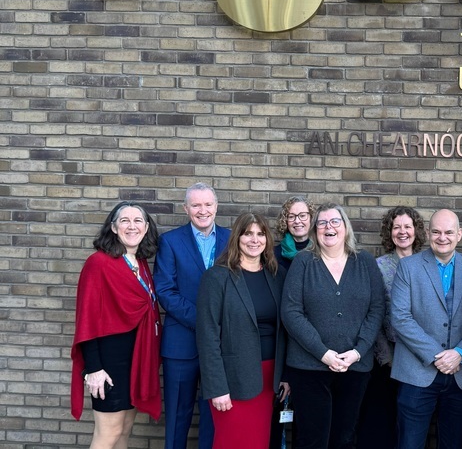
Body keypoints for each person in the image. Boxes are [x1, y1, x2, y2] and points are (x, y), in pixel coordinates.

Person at [281, 203, 385, 449]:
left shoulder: (365, 262)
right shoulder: (303, 262)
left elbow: (377, 309)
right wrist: (323, 353)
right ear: (315, 230)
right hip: (309, 369)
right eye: (322, 223)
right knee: (311, 440)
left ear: (345, 226)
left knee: (344, 438)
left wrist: (358, 351)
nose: (329, 227)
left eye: (335, 221)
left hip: (355, 367)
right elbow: (291, 312)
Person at [390, 209, 462, 449]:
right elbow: (400, 318)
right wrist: (438, 356)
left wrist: (460, 353)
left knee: (454, 444)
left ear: (460, 234)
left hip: (461, 375)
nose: (442, 237)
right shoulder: (408, 267)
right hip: (415, 373)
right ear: (428, 233)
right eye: (436, 232)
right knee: (409, 444)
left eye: (449, 232)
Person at [70, 201, 161, 448]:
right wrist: (94, 368)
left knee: (123, 432)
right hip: (108, 363)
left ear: (146, 228)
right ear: (113, 227)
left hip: (135, 361)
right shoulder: (98, 263)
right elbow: (86, 319)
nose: (132, 226)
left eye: (138, 221)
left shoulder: (139, 264)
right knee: (108, 434)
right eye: (124, 221)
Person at [196, 213, 290, 449]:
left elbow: (285, 331)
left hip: (270, 379)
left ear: (267, 240)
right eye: (248, 233)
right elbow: (207, 337)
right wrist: (217, 388)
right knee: (233, 442)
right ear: (237, 238)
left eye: (260, 234)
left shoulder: (277, 276)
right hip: (233, 380)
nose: (254, 240)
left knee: (259, 442)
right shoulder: (216, 278)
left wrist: (285, 376)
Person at [154, 182, 230, 449]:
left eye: (208, 204)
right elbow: (165, 291)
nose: (203, 210)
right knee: (177, 415)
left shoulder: (232, 239)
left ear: (216, 207)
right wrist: (203, 320)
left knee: (214, 415)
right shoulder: (170, 241)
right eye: (196, 205)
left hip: (222, 347)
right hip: (181, 345)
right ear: (186, 209)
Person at [357, 206, 426, 449]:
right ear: (390, 232)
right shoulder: (378, 266)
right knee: (383, 426)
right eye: (397, 227)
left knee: (411, 428)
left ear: (416, 231)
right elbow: (372, 313)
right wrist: (386, 356)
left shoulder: (426, 265)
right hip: (387, 358)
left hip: (420, 359)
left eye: (408, 226)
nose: (402, 232)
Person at [274, 196, 315, 271]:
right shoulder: (274, 255)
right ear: (285, 221)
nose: (297, 221)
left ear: (311, 218)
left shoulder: (320, 252)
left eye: (302, 216)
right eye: (291, 216)